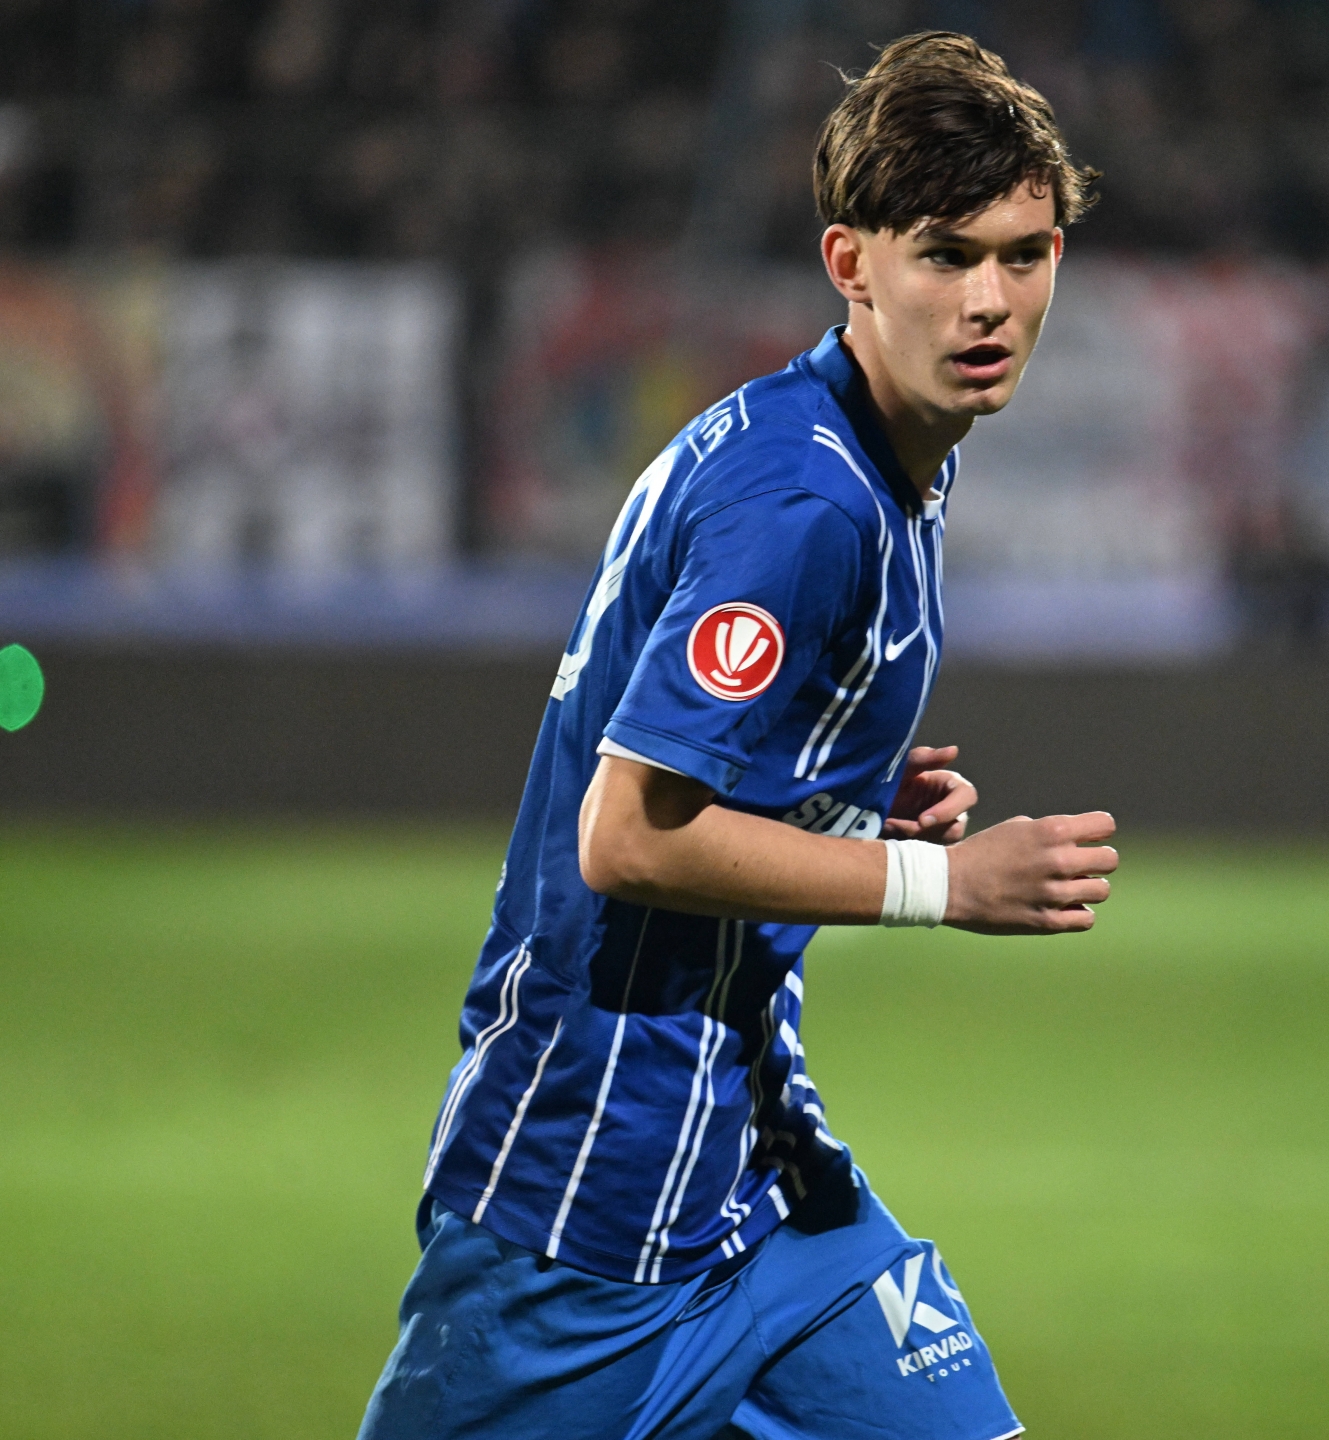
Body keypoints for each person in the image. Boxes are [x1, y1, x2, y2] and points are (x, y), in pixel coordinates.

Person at [358, 32, 1113, 1440]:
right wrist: (941, 883)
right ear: (851, 264)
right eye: (946, 256)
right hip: (588, 1199)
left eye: (1024, 255)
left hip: (762, 1183)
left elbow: (708, 756)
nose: (990, 299)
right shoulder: (805, 502)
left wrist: (837, 795)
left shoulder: (871, 452)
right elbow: (628, 836)